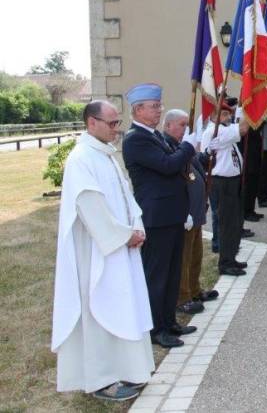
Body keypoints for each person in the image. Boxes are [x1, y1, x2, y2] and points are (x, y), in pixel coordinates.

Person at [52, 100, 154, 402]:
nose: (117, 129)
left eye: (117, 122)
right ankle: (101, 379)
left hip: (122, 247)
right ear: (91, 123)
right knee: (100, 308)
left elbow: (126, 195)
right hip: (99, 252)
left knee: (125, 306)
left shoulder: (107, 156)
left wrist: (137, 226)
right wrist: (124, 236)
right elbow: (89, 206)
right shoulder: (81, 159)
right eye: (111, 124)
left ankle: (131, 369)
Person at [122, 84, 198, 349]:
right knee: (157, 276)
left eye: (159, 106)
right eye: (154, 107)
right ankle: (156, 329)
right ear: (138, 109)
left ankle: (169, 321)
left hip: (171, 214)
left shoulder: (155, 135)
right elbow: (168, 165)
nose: (159, 110)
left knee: (172, 272)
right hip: (157, 217)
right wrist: (188, 146)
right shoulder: (136, 139)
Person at [162, 110, 218, 316]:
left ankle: (194, 290)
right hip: (183, 213)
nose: (185, 129)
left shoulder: (182, 146)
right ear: (168, 126)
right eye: (181, 125)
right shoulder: (167, 146)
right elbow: (175, 166)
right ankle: (182, 297)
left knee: (196, 254)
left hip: (195, 212)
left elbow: (194, 165)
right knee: (183, 258)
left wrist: (204, 156)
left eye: (187, 125)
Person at [201, 102, 250, 276]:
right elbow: (243, 128)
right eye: (223, 114)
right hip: (222, 182)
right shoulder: (216, 131)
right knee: (227, 223)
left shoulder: (223, 129)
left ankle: (231, 257)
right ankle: (225, 263)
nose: (227, 117)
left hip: (231, 181)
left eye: (228, 114)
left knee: (234, 222)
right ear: (213, 117)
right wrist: (249, 107)